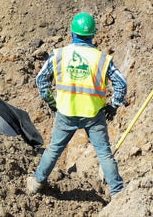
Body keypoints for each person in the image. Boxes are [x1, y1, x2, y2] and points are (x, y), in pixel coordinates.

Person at [26, 12, 127, 197]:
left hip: (66, 112)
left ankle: (36, 183)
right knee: (104, 153)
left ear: (72, 33)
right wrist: (114, 105)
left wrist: (51, 101)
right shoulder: (101, 59)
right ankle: (118, 192)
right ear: (92, 35)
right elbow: (121, 83)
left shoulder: (60, 55)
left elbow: (41, 80)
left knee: (54, 149)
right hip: (93, 113)